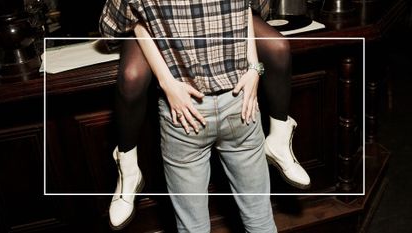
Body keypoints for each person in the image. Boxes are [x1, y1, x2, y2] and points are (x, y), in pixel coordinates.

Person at [99, 0, 310, 230]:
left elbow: (112, 28)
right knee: (260, 221)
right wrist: (252, 67)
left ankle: (127, 171)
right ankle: (127, 170)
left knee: (197, 228)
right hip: (228, 103)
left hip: (200, 108)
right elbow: (252, 8)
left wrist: (253, 68)